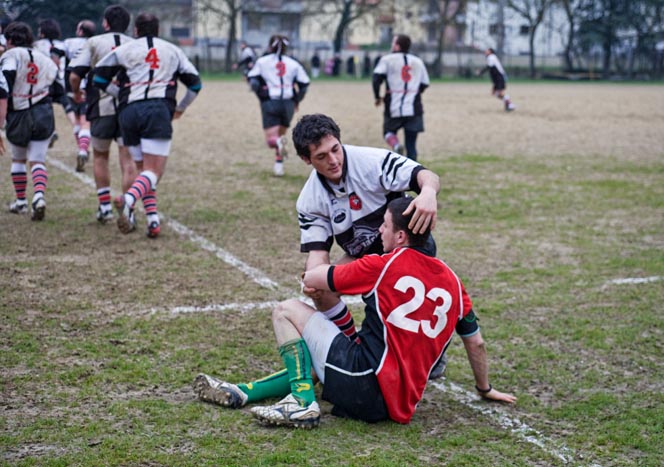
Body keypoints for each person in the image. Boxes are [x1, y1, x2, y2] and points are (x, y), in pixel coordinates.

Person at [194, 195, 517, 428]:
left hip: (363, 383)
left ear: (401, 236)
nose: (379, 232)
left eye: (385, 226)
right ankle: (242, 392)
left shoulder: (383, 264)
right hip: (398, 405)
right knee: (320, 351)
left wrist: (333, 264)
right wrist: (484, 389)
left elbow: (313, 278)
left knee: (286, 310)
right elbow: (476, 343)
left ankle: (302, 403)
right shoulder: (456, 284)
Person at [292, 113, 451, 379]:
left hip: (406, 252)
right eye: (321, 156)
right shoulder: (309, 200)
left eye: (335, 149)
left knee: (396, 292)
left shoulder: (371, 162)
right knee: (319, 288)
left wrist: (427, 193)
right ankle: (353, 347)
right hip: (365, 259)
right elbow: (317, 254)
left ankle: (430, 352)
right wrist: (312, 278)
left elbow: (427, 176)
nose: (333, 160)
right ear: (306, 160)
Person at [92, 12, 202, 238]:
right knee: (154, 171)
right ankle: (128, 200)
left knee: (143, 171)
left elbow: (99, 78)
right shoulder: (172, 50)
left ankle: (152, 220)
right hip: (157, 110)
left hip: (128, 112)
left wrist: (121, 94)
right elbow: (195, 84)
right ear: (159, 30)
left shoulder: (125, 49)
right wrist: (179, 108)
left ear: (135, 31)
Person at [70, 4, 137, 224]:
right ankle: (129, 209)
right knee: (128, 159)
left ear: (105, 23)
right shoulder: (135, 45)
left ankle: (105, 207)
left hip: (100, 106)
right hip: (128, 107)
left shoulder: (94, 42)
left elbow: (74, 75)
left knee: (100, 156)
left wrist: (77, 93)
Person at [2, 21, 64, 221]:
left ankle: (21, 201)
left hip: (19, 112)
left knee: (19, 158)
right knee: (38, 159)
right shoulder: (44, 58)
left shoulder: (10, 56)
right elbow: (58, 88)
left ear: (10, 40)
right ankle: (39, 196)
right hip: (42, 111)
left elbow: (4, 84)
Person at [246, 34, 309, 177]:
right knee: (281, 135)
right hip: (288, 104)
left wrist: (262, 97)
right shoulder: (294, 63)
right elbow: (304, 84)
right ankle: (279, 165)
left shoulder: (262, 62)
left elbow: (253, 81)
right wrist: (296, 100)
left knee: (272, 140)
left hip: (270, 102)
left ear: (270, 46)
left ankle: (279, 155)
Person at [372, 34, 429, 161]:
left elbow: (376, 79)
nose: (392, 45)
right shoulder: (418, 61)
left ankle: (396, 145)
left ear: (397, 46)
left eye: (393, 42)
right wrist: (412, 92)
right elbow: (425, 83)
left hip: (393, 106)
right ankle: (414, 175)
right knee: (411, 146)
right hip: (414, 107)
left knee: (388, 132)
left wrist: (377, 96)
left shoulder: (387, 60)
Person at [34, 19, 81, 167]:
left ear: (42, 31)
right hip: (60, 81)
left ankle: (52, 131)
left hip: (44, 82)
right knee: (67, 105)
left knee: (44, 106)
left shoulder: (36, 45)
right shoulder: (63, 45)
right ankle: (77, 128)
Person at [64, 19, 96, 173]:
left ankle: (81, 148)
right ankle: (83, 150)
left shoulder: (69, 42)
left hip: (72, 85)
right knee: (86, 122)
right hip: (88, 87)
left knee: (77, 120)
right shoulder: (94, 43)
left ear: (81, 31)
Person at [480, 48, 516, 112]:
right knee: (495, 93)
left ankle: (510, 104)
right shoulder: (491, 57)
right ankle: (508, 105)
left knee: (499, 93)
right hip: (497, 78)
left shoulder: (491, 57)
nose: (485, 52)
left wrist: (481, 72)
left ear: (490, 52)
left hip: (499, 78)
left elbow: (489, 67)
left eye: (487, 51)